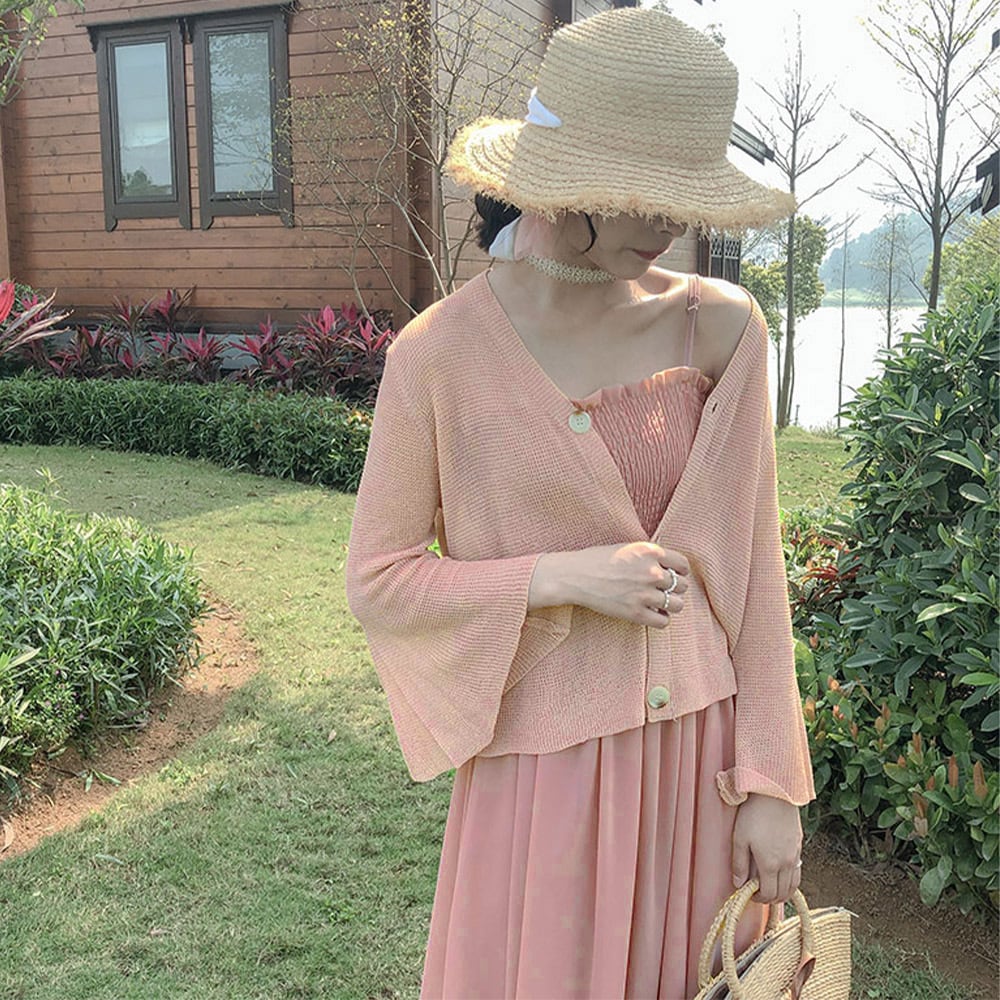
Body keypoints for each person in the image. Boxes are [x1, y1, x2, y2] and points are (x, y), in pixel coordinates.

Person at [346, 8, 815, 999]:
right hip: (540, 782)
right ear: (568, 182)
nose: (670, 225)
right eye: (647, 196)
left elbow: (755, 565)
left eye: (684, 198)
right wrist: (558, 579)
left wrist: (772, 781)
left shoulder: (720, 330)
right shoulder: (436, 357)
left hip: (700, 768)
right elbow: (379, 581)